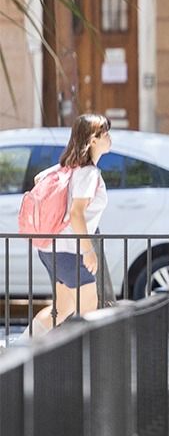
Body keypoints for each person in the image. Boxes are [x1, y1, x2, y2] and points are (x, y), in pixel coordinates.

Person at [29, 114, 112, 336]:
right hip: (69, 251)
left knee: (61, 309)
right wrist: (88, 251)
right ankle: (85, 366)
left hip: (50, 248)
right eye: (106, 133)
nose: (109, 137)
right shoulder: (89, 173)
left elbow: (39, 179)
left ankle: (18, 350)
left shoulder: (67, 167)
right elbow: (77, 214)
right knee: (88, 313)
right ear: (93, 140)